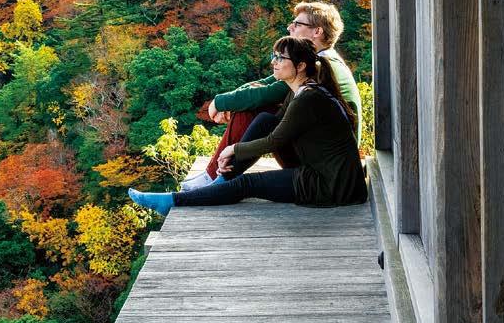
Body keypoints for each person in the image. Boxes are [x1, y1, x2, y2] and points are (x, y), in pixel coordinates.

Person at [128, 36, 367, 214]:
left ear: (301, 66)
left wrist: (233, 149)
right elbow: (271, 126)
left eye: (280, 58)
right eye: (274, 56)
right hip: (324, 171)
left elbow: (274, 141)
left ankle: (173, 201)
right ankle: (221, 182)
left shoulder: (309, 98)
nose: (274, 62)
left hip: (332, 185)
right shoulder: (300, 92)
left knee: (247, 184)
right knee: (264, 119)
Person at [181, 0, 362, 191]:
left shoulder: (319, 66)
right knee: (256, 109)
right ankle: (218, 176)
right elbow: (268, 83)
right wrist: (228, 101)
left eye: (298, 24)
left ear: (317, 32)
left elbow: (268, 93)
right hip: (319, 154)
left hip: (325, 165)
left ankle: (215, 178)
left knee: (255, 110)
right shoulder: (320, 59)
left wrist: (220, 102)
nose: (290, 27)